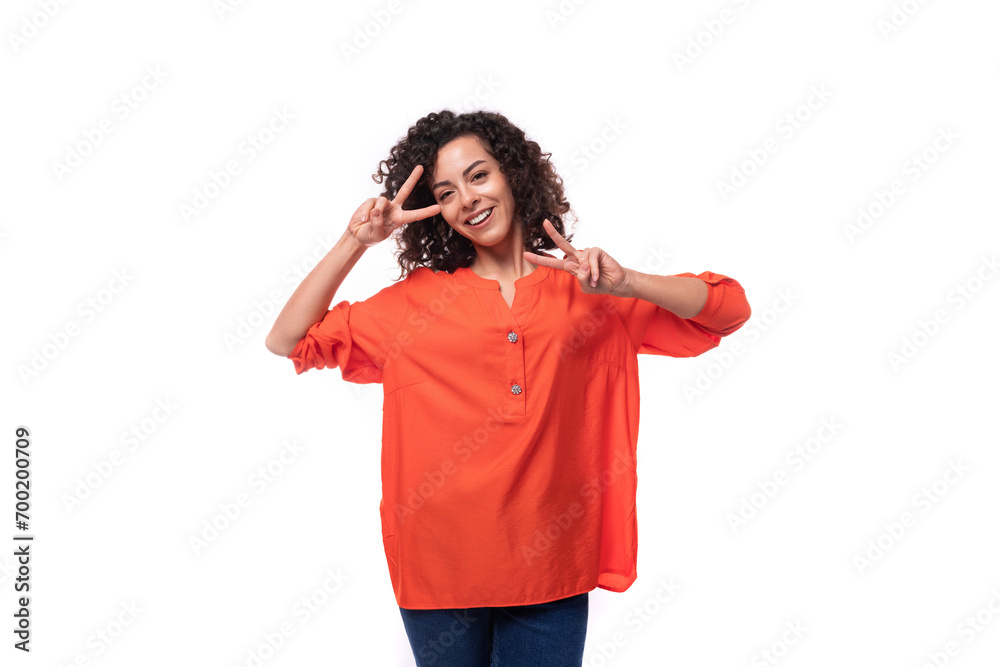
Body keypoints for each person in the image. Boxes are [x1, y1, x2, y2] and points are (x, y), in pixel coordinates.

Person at [265, 109, 751, 666]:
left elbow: (729, 310)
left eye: (478, 175)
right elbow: (287, 340)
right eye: (446, 193)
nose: (468, 199)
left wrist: (630, 283)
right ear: (436, 212)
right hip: (439, 571)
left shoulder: (592, 292)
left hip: (552, 568)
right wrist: (356, 241)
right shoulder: (412, 305)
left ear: (513, 174)